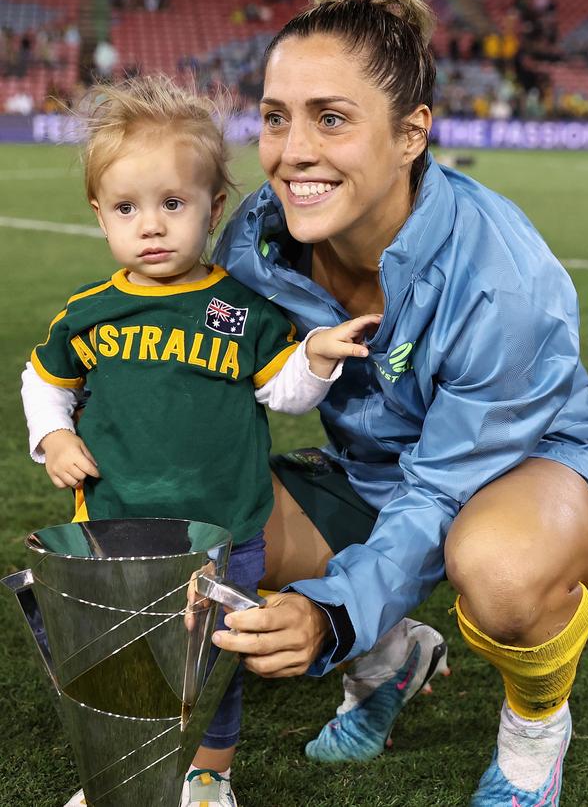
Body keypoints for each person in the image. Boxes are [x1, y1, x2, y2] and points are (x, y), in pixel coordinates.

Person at [207, 0, 588, 806]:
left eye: (332, 119)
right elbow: (219, 404)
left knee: (500, 568)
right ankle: (392, 654)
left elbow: (443, 489)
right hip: (379, 479)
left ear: (413, 133)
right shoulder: (254, 244)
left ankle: (534, 734)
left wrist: (331, 613)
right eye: (275, 118)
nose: (293, 153)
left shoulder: (503, 276)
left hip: (524, 470)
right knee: (212, 507)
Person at [20, 75, 381, 807]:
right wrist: (54, 437)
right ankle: (122, 766)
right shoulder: (90, 313)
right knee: (123, 658)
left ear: (214, 207)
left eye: (173, 204)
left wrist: (313, 358)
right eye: (127, 208)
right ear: (100, 213)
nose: (150, 226)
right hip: (114, 528)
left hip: (226, 527)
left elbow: (283, 390)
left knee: (213, 660)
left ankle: (210, 773)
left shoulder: (240, 310)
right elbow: (42, 380)